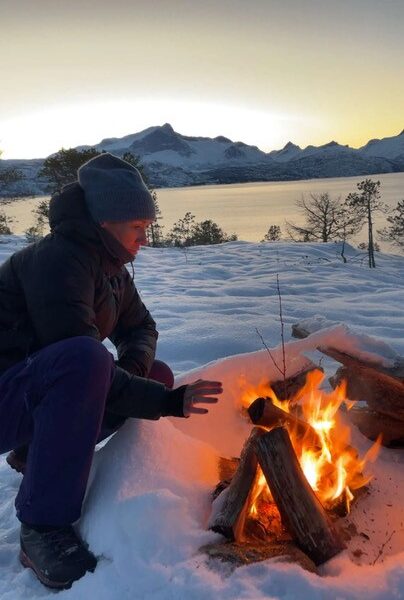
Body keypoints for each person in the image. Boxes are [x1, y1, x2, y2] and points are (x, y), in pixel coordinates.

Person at [0, 153, 223, 590]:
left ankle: (36, 453)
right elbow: (78, 361)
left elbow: (141, 327)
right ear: (105, 221)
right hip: (6, 396)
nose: (146, 237)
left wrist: (135, 372)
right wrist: (166, 402)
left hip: (32, 395)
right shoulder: (57, 262)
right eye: (137, 226)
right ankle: (42, 526)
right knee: (88, 362)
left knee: (153, 373)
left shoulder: (111, 268)